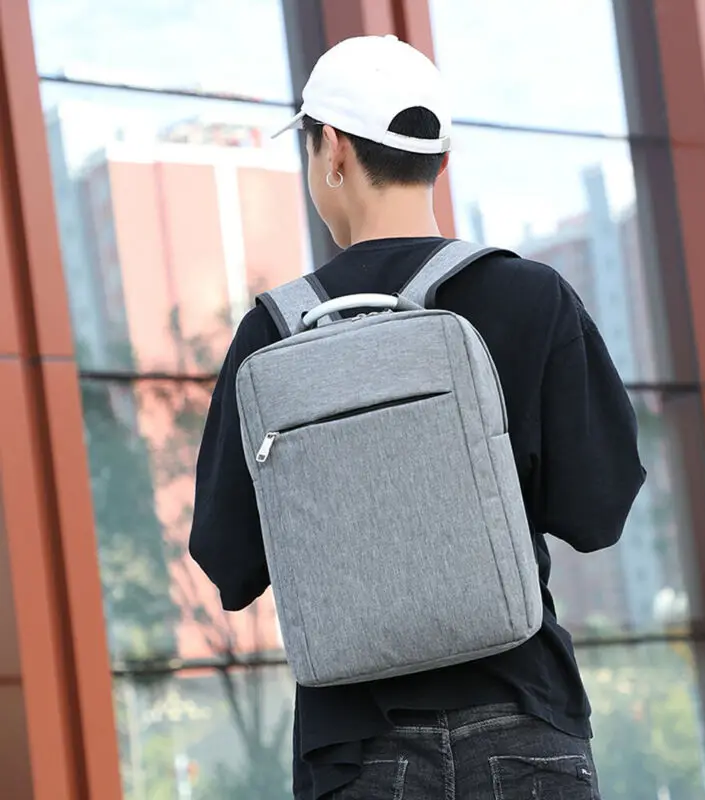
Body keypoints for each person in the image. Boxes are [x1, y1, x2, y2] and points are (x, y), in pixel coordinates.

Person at [189, 34, 645, 800]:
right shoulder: (532, 296)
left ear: (332, 149)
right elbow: (598, 512)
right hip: (524, 716)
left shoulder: (271, 334)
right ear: (440, 157)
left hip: (356, 747)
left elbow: (227, 561)